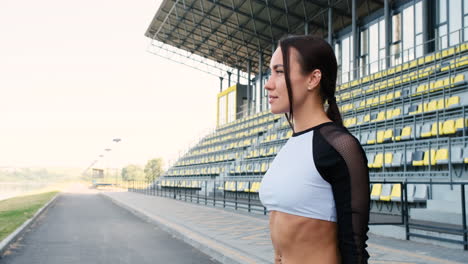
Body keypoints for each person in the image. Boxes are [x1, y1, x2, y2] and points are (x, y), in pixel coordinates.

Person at [258, 35, 370, 264]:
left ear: (313, 79)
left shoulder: (339, 146)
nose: (268, 84)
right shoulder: (291, 145)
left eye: (279, 72)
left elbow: (354, 247)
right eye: (271, 72)